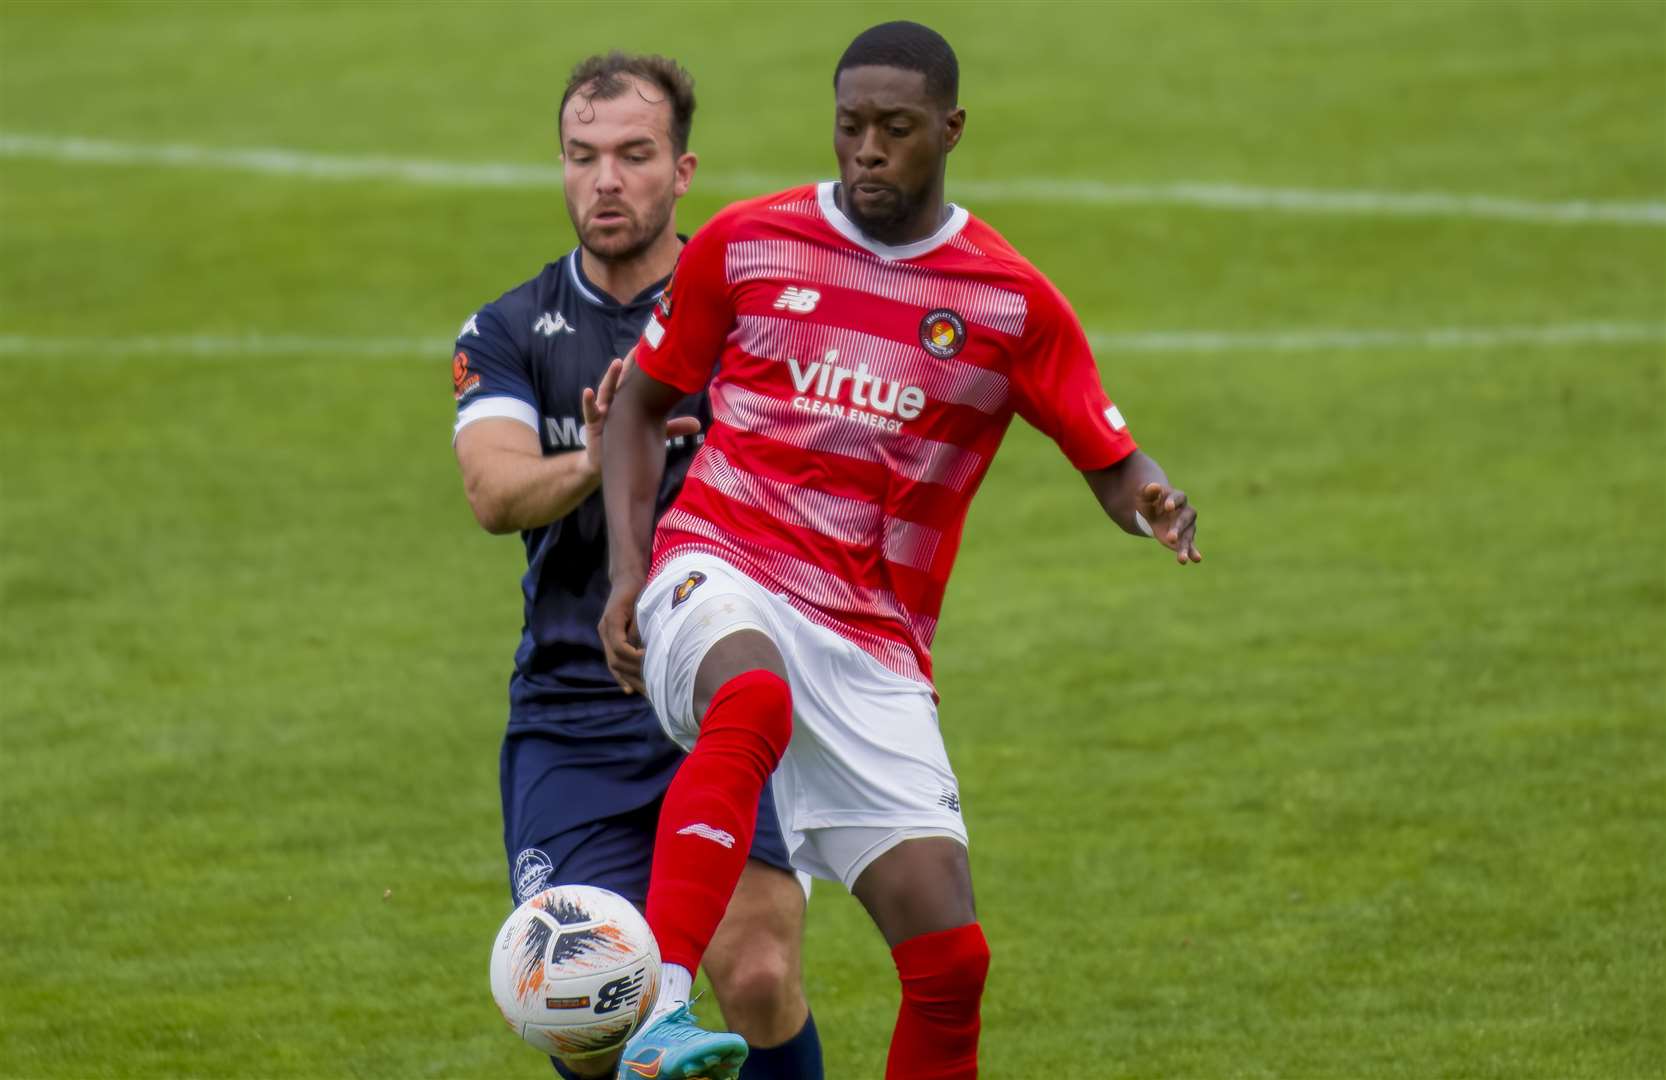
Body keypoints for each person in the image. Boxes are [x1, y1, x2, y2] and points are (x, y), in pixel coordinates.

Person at [598, 20, 1203, 1080]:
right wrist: (627, 576)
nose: (867, 150)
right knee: (753, 700)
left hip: (872, 641)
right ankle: (657, 1003)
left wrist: (1148, 493)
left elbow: (1104, 451)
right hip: (721, 567)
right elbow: (639, 410)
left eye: (895, 129)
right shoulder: (745, 243)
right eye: (849, 127)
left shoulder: (1008, 302)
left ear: (950, 130)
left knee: (950, 959)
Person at [450, 51, 823, 1080]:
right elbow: (492, 492)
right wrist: (609, 446)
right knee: (585, 1023)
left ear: (683, 169)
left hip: (719, 695)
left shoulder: (755, 314)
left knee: (754, 975)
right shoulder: (511, 329)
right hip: (573, 710)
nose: (604, 180)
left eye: (632, 155)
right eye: (581, 156)